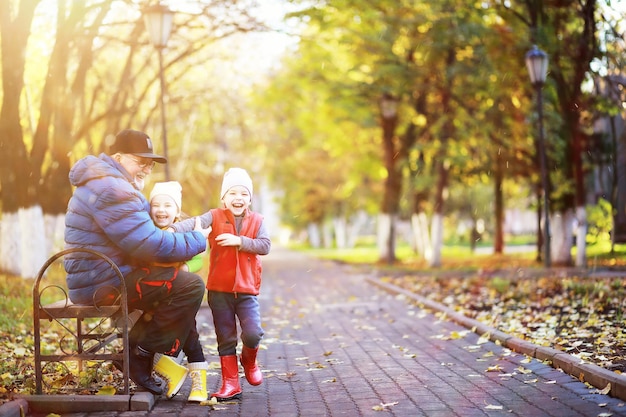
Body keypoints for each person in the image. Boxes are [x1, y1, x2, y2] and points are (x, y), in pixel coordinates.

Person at [64, 129, 210, 397]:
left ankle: (136, 355)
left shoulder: (106, 183)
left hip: (101, 276)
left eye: (149, 164)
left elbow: (140, 240)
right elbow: (150, 243)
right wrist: (198, 240)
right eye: (139, 161)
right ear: (118, 157)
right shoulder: (112, 188)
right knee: (189, 287)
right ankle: (138, 357)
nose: (146, 168)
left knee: (177, 285)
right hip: (104, 284)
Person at [169, 167, 271, 401]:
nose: (238, 198)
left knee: (253, 333)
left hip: (247, 291)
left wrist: (239, 241)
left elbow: (265, 245)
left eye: (244, 194)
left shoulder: (257, 220)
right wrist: (173, 228)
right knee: (225, 338)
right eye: (233, 193)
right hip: (219, 291)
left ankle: (249, 360)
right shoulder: (214, 217)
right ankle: (231, 384)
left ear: (249, 199)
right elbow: (194, 223)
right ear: (224, 197)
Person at [147, 181, 209, 402]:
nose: (162, 210)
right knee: (143, 333)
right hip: (153, 296)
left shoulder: (183, 234)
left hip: (179, 295)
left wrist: (184, 268)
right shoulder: (146, 232)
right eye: (156, 205)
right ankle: (171, 370)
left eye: (168, 205)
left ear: (176, 212)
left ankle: (199, 383)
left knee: (189, 330)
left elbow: (197, 260)